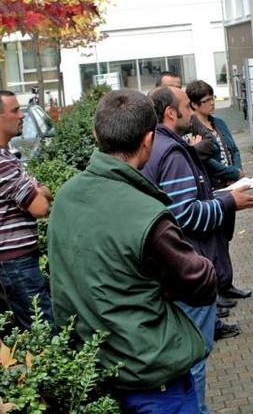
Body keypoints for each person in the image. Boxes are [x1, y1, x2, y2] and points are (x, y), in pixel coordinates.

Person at [48, 89, 217, 413]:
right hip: (152, 378)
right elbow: (200, 283)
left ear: (97, 134)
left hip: (92, 370)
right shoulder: (147, 214)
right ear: (148, 141)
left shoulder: (66, 196)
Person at [142, 86, 253, 413]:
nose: (191, 113)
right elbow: (185, 215)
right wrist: (229, 201)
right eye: (185, 107)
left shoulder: (159, 147)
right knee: (194, 354)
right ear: (170, 113)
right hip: (188, 265)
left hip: (176, 266)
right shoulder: (171, 151)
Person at [185, 80, 252, 302]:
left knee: (225, 236)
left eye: (212, 98)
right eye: (206, 101)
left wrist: (238, 170)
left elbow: (233, 147)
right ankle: (216, 288)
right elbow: (207, 160)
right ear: (194, 105)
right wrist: (233, 172)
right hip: (212, 187)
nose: (211, 103)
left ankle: (226, 283)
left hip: (229, 186)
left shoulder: (219, 123)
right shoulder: (193, 128)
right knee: (213, 240)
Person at [0, 90, 53, 329]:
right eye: (14, 111)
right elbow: (41, 206)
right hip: (15, 264)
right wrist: (37, 189)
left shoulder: (8, 157)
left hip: (17, 262)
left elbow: (43, 192)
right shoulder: (2, 163)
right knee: (45, 331)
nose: (22, 115)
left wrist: (37, 190)